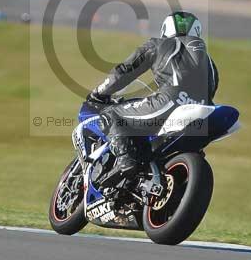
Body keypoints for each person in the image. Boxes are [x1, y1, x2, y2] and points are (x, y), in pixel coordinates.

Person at [88, 11, 219, 185]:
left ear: (166, 29)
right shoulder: (210, 63)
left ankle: (125, 160)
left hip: (168, 103)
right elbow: (211, 89)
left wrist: (99, 93)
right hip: (203, 113)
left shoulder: (159, 44)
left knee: (111, 114)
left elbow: (124, 71)